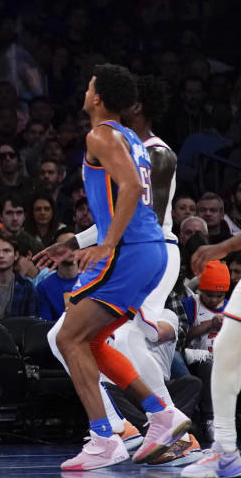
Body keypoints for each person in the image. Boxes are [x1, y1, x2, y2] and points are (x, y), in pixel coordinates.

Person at [32, 65, 187, 470]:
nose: (85, 91)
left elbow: (133, 188)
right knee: (92, 341)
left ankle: (105, 437)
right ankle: (162, 415)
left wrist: (107, 243)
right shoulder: (132, 137)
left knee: (67, 338)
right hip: (148, 249)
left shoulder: (100, 134)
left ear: (97, 98)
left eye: (88, 86)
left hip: (130, 250)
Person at [181, 234, 241, 478]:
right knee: (222, 350)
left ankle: (226, 449)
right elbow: (182, 335)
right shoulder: (192, 304)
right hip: (195, 356)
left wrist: (221, 248)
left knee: (225, 349)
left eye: (218, 295)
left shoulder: (227, 301)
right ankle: (224, 444)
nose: (215, 299)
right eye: (210, 293)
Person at [0, 231, 38, 319]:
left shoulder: (27, 287)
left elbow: (32, 321)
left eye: (6, 251)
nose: (1, 255)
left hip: (18, 332)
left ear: (16, 255)